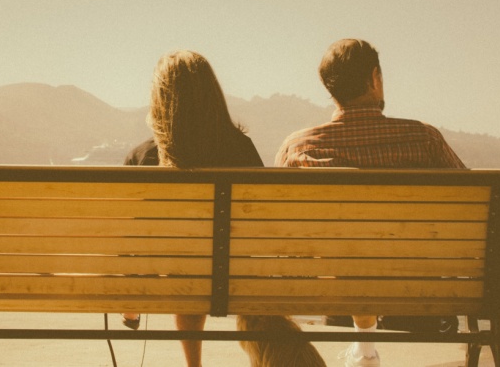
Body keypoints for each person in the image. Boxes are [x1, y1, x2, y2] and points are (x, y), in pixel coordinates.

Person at [275, 38, 465, 367]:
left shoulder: (297, 149)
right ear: (375, 78)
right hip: (421, 305)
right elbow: (470, 214)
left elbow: (280, 231)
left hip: (338, 304)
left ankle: (363, 341)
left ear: (329, 88)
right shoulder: (424, 139)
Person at [124, 50, 263, 367]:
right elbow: (259, 222)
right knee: (201, 261)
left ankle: (188, 360)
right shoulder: (241, 148)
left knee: (186, 264)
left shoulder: (143, 157)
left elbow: (127, 237)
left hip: (175, 276)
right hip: (236, 274)